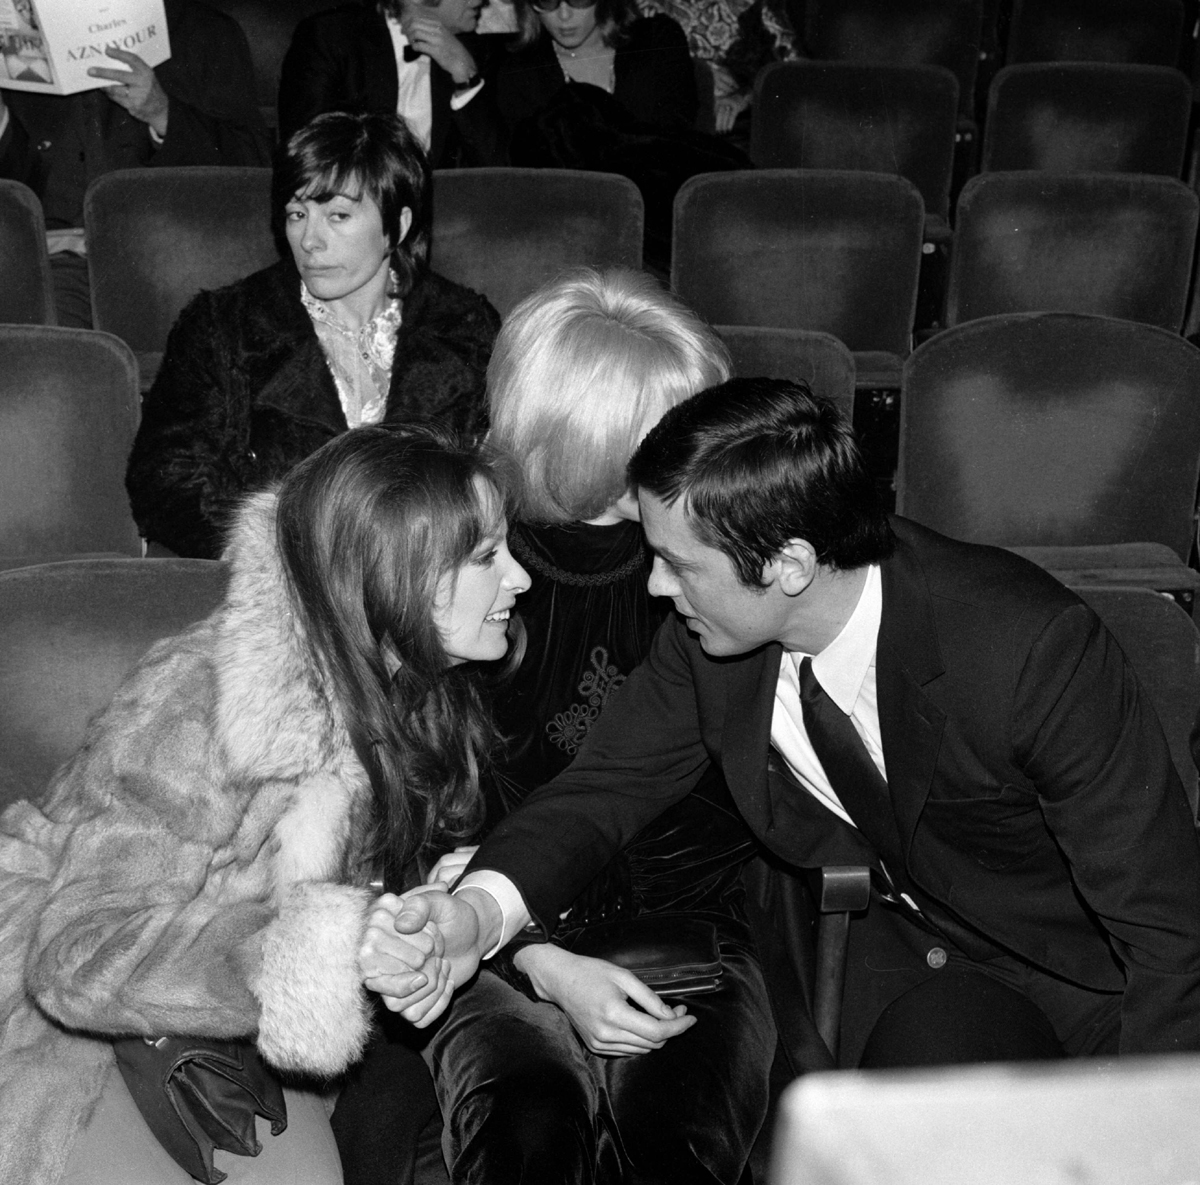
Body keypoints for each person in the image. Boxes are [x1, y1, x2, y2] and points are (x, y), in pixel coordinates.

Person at [380, 377, 1200, 1072]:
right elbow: (602, 788)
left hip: (1089, 983)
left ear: (790, 565)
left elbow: (1166, 924)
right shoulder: (709, 641)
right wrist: (477, 917)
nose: (655, 586)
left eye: (679, 564)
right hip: (897, 962)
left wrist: (1150, 1114)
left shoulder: (1027, 651)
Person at [0, 425, 530, 1185]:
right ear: (392, 573)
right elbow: (77, 954)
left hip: (246, 1025)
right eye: (485, 556)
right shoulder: (203, 699)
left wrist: (417, 922)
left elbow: (382, 888)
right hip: (81, 1019)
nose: (519, 577)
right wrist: (309, 950)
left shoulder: (428, 688)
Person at [422, 269, 773, 1184]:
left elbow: (711, 804)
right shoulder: (461, 561)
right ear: (592, 443)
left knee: (677, 1140)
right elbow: (419, 812)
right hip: (487, 937)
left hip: (678, 924)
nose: (706, 452)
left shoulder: (708, 560)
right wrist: (542, 956)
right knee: (526, 1127)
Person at [125, 110, 499, 561]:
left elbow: (501, 471)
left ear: (398, 226)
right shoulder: (224, 325)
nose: (309, 240)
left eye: (338, 215)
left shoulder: (466, 326)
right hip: (278, 577)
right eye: (297, 214)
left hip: (429, 574)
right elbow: (166, 476)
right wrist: (271, 551)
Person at [0, 0, 270, 327]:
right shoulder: (22, 28)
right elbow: (16, 184)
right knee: (45, 339)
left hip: (173, 246)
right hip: (53, 256)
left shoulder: (203, 31)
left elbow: (253, 164)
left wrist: (161, 112)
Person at [278, 0, 507, 168]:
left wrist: (465, 75)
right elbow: (306, 156)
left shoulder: (474, 50)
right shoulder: (332, 37)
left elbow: (500, 171)